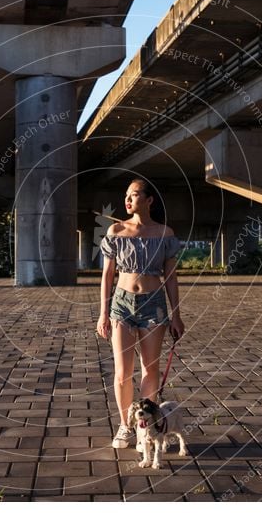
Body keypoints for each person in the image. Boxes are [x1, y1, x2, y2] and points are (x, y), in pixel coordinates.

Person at [96, 178, 185, 449]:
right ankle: (125, 426)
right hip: (121, 304)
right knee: (123, 372)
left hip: (154, 305)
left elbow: (170, 277)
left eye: (134, 195)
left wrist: (177, 315)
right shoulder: (116, 230)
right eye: (127, 195)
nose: (128, 199)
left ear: (149, 200)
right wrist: (103, 313)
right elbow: (108, 276)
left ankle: (147, 430)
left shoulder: (165, 234)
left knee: (151, 369)